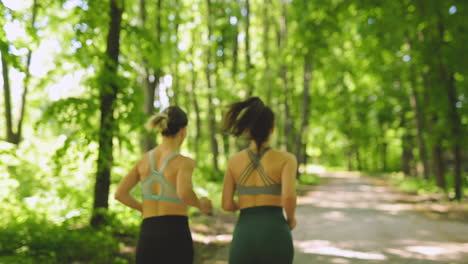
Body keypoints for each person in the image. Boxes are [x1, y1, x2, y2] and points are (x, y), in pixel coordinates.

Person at [114, 106, 212, 264]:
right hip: (175, 233)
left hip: (148, 232)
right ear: (183, 131)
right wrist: (201, 204)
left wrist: (144, 208)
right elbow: (184, 193)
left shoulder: (144, 160)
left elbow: (120, 194)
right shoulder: (184, 163)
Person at [221, 97, 297, 264]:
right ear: (272, 128)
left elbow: (226, 204)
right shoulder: (286, 159)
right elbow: (288, 197)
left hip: (245, 233)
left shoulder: (234, 161)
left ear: (249, 129)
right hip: (275, 230)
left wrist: (247, 204)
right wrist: (291, 219)